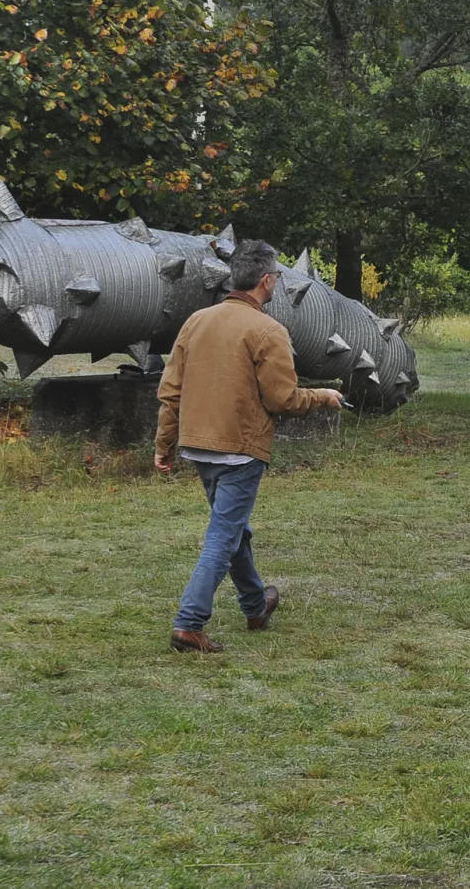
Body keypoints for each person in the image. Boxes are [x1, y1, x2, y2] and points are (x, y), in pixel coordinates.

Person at [154, 239, 342, 653]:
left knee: (234, 529)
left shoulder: (195, 322)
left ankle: (256, 606)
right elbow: (283, 400)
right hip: (240, 451)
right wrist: (323, 397)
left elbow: (171, 392)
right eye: (274, 278)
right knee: (223, 536)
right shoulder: (268, 330)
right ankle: (188, 624)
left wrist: (163, 445)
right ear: (267, 280)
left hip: (198, 447)